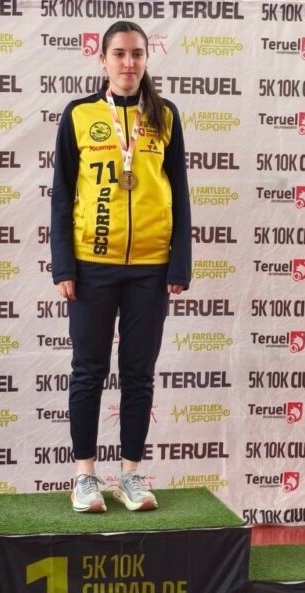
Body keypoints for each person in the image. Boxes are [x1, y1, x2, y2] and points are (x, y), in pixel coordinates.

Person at [50, 21, 191, 513]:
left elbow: (179, 192)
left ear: (146, 59)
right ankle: (85, 476)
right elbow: (62, 195)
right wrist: (63, 266)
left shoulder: (165, 115)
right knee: (88, 371)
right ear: (102, 59)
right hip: (92, 264)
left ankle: (130, 475)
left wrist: (179, 263)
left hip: (150, 267)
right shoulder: (79, 114)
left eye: (137, 54)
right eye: (119, 54)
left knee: (138, 374)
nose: (128, 62)